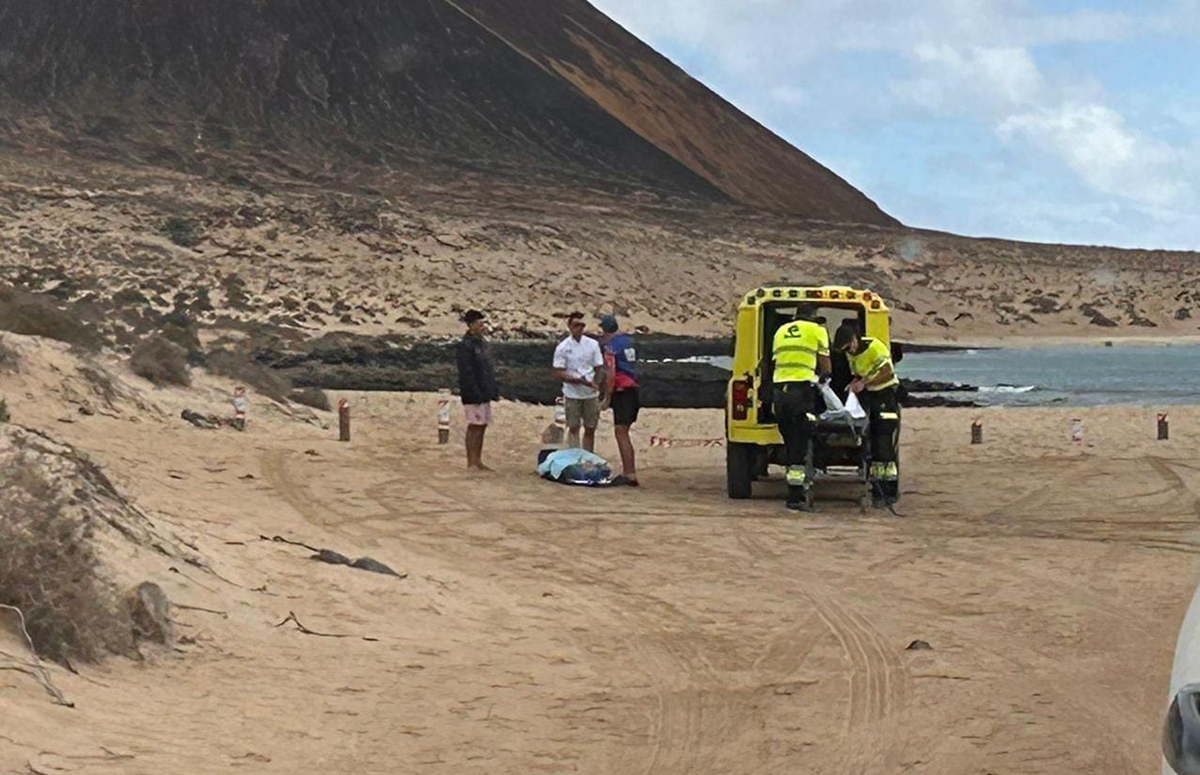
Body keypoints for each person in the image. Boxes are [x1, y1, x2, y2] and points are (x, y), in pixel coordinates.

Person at [834, 323, 901, 507]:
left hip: (885, 396)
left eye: (850, 347)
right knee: (872, 444)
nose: (850, 351)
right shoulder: (851, 354)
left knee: (884, 444)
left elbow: (887, 372)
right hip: (869, 397)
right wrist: (854, 384)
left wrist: (865, 382)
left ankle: (889, 491)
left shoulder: (875, 347)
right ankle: (877, 488)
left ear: (855, 339)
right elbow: (856, 373)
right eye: (846, 350)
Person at [771, 304, 831, 511]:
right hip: (801, 391)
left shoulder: (781, 331)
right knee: (800, 443)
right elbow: (825, 364)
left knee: (789, 440)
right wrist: (825, 378)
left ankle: (795, 490)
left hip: (779, 392)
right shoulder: (817, 330)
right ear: (813, 315)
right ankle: (796, 498)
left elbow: (776, 361)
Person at [552, 312, 604, 452]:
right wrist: (575, 379)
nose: (578, 328)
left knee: (590, 427)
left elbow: (599, 366)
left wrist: (596, 383)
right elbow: (558, 371)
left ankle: (588, 455)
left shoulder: (592, 344)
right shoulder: (563, 347)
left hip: (590, 393)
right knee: (573, 426)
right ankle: (574, 454)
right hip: (572, 393)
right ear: (569, 326)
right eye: (575, 325)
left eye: (581, 325)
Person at [455, 309, 499, 471]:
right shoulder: (465, 345)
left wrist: (491, 389)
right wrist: (474, 392)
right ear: (472, 325)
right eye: (480, 324)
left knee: (482, 425)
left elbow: (486, 368)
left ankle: (478, 459)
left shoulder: (481, 343)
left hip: (484, 390)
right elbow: (466, 372)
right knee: (474, 425)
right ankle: (471, 461)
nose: (482, 327)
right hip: (472, 392)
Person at [599, 314, 639, 487]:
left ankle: (629, 473)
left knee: (621, 431)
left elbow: (611, 373)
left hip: (623, 390)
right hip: (633, 388)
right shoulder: (628, 341)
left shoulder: (611, 347)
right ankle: (629, 471)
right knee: (624, 431)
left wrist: (607, 397)